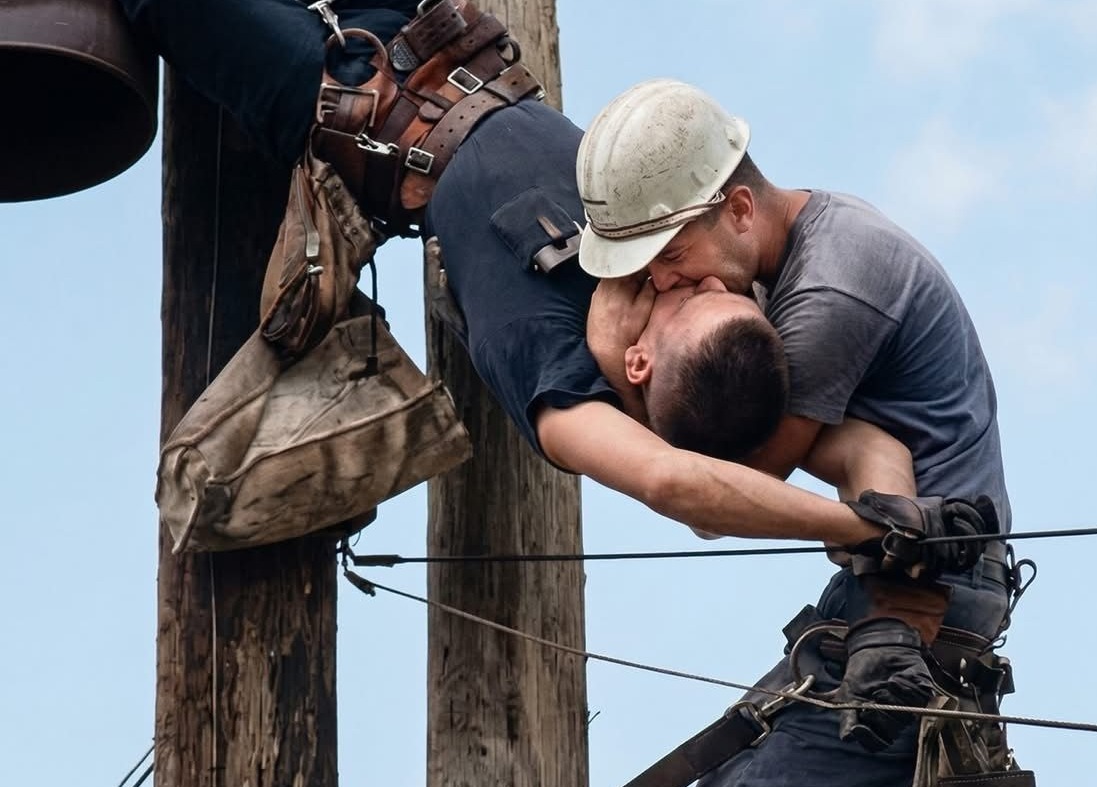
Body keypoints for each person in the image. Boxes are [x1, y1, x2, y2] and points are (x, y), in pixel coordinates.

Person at [116, 2, 1002, 781]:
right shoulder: (706, 274)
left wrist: (880, 541)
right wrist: (885, 523)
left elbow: (684, 487)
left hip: (353, 110)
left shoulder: (574, 385)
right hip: (435, 51)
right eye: (685, 279)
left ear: (647, 370)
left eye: (681, 284)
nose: (676, 283)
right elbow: (859, 451)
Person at [578, 79, 1027, 785]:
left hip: (925, 592)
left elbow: (720, 495)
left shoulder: (828, 293)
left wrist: (615, 359)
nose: (660, 282)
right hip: (880, 578)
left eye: (668, 256)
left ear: (738, 208)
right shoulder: (778, 258)